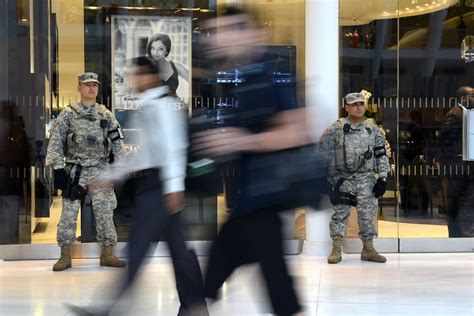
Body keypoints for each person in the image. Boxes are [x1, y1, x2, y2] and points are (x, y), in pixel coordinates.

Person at [193, 7, 312, 316]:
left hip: (262, 203)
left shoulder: (267, 74)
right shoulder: (246, 75)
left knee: (267, 286)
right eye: (219, 30)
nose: (222, 38)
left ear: (253, 34)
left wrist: (241, 141)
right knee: (270, 284)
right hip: (252, 203)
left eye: (231, 29)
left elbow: (297, 130)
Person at [68, 57, 208, 316]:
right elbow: (144, 153)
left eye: (136, 75)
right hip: (158, 184)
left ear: (150, 76)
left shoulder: (163, 105)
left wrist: (174, 187)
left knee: (140, 247)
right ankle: (195, 307)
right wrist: (114, 174)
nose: (132, 81)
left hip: (159, 186)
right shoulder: (150, 106)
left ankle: (106, 308)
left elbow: (174, 147)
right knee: (179, 252)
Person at [46, 72, 126, 271]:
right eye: (87, 85)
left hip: (100, 169)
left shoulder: (106, 115)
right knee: (68, 214)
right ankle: (65, 255)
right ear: (79, 88)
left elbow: (117, 143)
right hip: (76, 169)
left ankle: (107, 253)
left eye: (94, 85)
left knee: (105, 211)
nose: (91, 88)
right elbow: (56, 142)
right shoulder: (68, 114)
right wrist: (58, 170)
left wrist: (117, 169)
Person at [319, 92, 390, 264]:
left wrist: (382, 178)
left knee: (367, 214)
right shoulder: (336, 129)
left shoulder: (372, 129)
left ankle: (368, 248)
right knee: (340, 213)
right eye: (355, 104)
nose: (359, 107)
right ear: (347, 107)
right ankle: (336, 248)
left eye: (361, 104)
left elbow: (381, 154)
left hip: (366, 179)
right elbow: (323, 152)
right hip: (343, 179)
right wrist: (324, 177)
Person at [438, 86, 474, 237]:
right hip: (458, 165)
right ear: (463, 98)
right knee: (459, 201)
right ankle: (461, 236)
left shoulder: (467, 113)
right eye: (473, 95)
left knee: (467, 200)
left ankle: (463, 235)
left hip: (467, 165)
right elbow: (444, 139)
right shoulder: (455, 114)